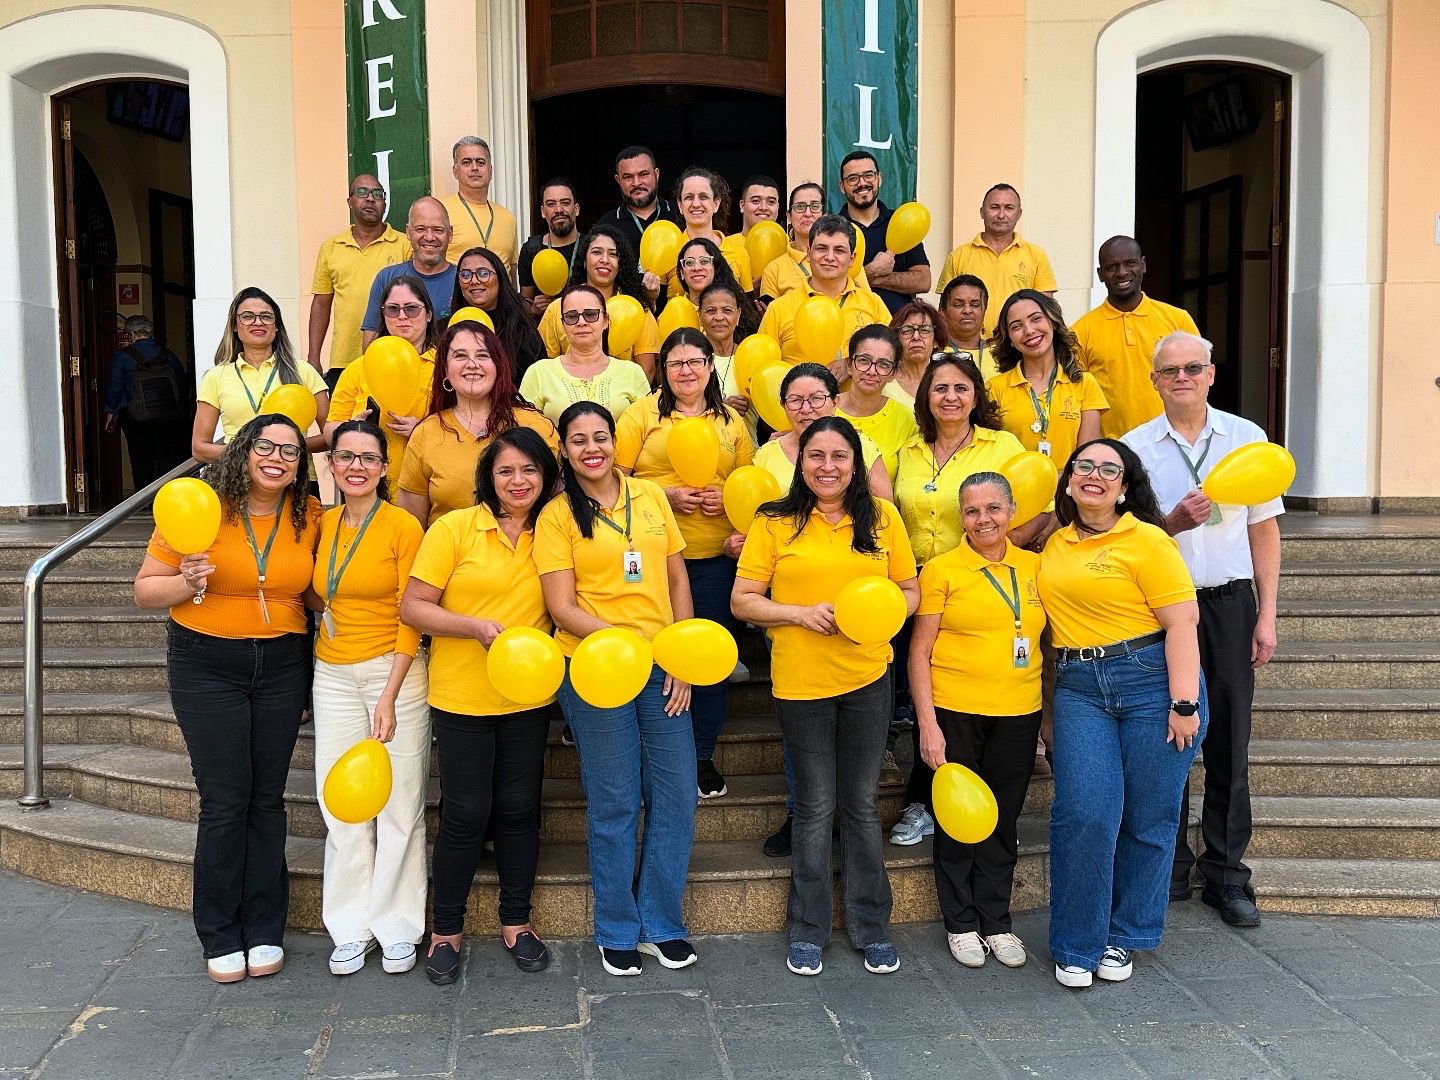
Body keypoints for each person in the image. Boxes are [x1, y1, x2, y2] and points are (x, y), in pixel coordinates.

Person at [134, 414, 322, 983]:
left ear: (301, 466)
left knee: (267, 799)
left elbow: (318, 590)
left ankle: (264, 927)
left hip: (283, 663)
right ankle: (219, 931)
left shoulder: (310, 515)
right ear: (242, 450)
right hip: (206, 664)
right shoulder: (203, 509)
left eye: (290, 452)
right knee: (224, 800)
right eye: (265, 446)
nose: (277, 459)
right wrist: (187, 582)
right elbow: (145, 590)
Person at [732, 416, 920, 977]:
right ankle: (808, 929)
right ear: (801, 462)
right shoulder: (773, 520)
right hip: (801, 682)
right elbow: (743, 599)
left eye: (840, 456)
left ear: (856, 464)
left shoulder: (882, 517)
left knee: (861, 805)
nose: (828, 466)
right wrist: (797, 613)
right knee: (814, 807)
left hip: (868, 677)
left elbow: (910, 590)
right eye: (816, 455)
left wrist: (877, 616)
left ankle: (872, 926)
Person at [1121, 331, 1281, 929]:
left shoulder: (1247, 439)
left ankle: (1227, 874)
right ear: (1155, 381)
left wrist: (1267, 613)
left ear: (1211, 374)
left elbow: (1263, 528)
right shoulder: (1134, 448)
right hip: (1161, 610)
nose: (1182, 378)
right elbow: (1127, 538)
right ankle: (1168, 866)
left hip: (1230, 604)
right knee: (1166, 738)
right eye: (1170, 371)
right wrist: (1172, 521)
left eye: (1193, 368)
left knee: (1230, 742)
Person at [535, 401, 699, 977]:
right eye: (578, 440)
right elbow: (561, 606)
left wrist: (680, 652)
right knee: (616, 799)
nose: (592, 448)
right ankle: (617, 927)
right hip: (595, 665)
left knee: (676, 794)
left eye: (600, 436)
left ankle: (662, 922)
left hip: (661, 664)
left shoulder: (650, 496)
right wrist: (623, 642)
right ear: (565, 450)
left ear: (614, 442)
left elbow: (676, 578)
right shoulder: (556, 515)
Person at [1039, 438, 1206, 988]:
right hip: (1080, 687)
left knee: (1148, 817)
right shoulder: (1055, 544)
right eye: (1084, 465)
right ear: (1068, 480)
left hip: (1153, 683)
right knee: (1084, 813)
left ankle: (1126, 932)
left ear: (1125, 487)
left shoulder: (1148, 540)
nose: (1095, 475)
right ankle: (1077, 942)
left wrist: (1184, 703)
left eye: (1109, 469)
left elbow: (1182, 624)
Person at [400, 427, 560, 982]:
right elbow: (413, 607)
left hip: (528, 696)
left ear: (546, 476)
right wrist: (472, 627)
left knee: (519, 810)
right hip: (462, 695)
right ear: (488, 477)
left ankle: (517, 921)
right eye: (506, 470)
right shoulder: (454, 528)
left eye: (530, 470)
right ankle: (445, 931)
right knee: (466, 814)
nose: (519, 481)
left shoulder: (556, 531)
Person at [909, 472, 1046, 970]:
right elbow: (919, 653)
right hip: (955, 711)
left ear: (1011, 512)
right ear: (960, 518)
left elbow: (1048, 645)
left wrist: (1049, 724)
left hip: (1019, 712)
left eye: (993, 509)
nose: (983, 519)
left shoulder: (1035, 567)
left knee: (1003, 821)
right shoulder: (941, 570)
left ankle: (997, 920)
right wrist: (928, 725)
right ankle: (961, 923)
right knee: (958, 820)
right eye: (971, 511)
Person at [889, 353, 1027, 846]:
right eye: (940, 388)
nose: (950, 397)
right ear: (925, 397)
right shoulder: (908, 451)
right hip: (915, 586)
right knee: (924, 695)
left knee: (958, 699)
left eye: (961, 388)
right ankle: (927, 799)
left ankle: (958, 804)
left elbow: (1044, 506)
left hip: (981, 587)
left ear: (976, 396)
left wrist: (996, 551)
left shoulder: (1003, 446)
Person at [617, 328, 755, 799]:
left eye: (695, 361)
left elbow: (749, 483)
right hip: (648, 558)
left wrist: (728, 497)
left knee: (706, 658)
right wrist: (666, 495)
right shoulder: (641, 414)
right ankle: (649, 752)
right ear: (664, 370)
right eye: (676, 363)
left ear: (710, 366)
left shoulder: (731, 423)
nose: (686, 371)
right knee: (651, 655)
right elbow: (612, 476)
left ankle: (700, 754)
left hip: (714, 558)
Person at [311, 420, 428, 977]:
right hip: (332, 672)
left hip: (393, 670)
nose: (355, 467)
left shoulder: (404, 525)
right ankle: (349, 926)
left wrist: (390, 692)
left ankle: (397, 924)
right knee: (341, 802)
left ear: (384, 468)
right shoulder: (323, 523)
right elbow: (317, 592)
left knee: (400, 803)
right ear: (332, 464)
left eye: (368, 458)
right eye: (345, 457)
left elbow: (412, 612)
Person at [397, 321, 558, 527]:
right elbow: (412, 526)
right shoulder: (425, 434)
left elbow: (561, 502)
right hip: (450, 547)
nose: (472, 364)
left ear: (498, 366)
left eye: (482, 355)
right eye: (460, 356)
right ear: (445, 370)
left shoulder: (535, 424)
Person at [1073, 235, 1201, 439]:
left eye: (1130, 263)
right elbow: (1077, 398)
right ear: (1100, 274)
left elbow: (1198, 379)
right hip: (1112, 447)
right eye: (1112, 267)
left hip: (1173, 441)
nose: (1122, 272)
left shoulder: (1178, 320)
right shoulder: (1081, 331)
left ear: (1143, 265)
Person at [326, 275, 438, 493]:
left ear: (428, 314)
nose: (402, 316)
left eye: (412, 308)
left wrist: (422, 431)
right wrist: (350, 429)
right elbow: (330, 430)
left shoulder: (446, 365)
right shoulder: (359, 367)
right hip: (369, 490)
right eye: (393, 309)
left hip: (429, 487)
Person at [193, 288, 330, 464]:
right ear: (234, 325)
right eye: (247, 316)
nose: (258, 322)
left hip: (294, 474)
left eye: (266, 316)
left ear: (276, 326)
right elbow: (199, 449)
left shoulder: (303, 371)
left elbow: (330, 435)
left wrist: (288, 448)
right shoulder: (216, 377)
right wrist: (249, 452)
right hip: (238, 476)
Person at [307, 175, 410, 388]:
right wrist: (314, 356)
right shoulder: (331, 247)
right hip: (343, 361)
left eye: (377, 194)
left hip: (392, 356)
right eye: (362, 193)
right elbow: (321, 304)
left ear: (385, 203)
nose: (370, 199)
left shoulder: (405, 244)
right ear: (350, 202)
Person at [987, 289, 1108, 471]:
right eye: (1016, 326)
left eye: (1036, 319)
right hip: (1012, 488)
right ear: (1009, 338)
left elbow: (1086, 458)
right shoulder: (994, 388)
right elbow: (991, 456)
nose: (1029, 331)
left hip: (1069, 487)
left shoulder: (1084, 383)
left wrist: (1060, 482)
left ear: (1053, 321)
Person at [757, 215, 890, 371]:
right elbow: (763, 367)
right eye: (821, 248)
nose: (830, 257)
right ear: (809, 254)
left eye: (839, 250)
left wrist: (850, 363)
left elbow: (892, 357)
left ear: (852, 259)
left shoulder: (873, 303)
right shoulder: (778, 309)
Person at [755, 363, 893, 502]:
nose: (806, 409)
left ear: (835, 402)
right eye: (796, 400)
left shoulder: (861, 446)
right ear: (783, 405)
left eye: (816, 398)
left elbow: (885, 509)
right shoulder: (767, 454)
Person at [538, 225, 662, 376]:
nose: (605, 260)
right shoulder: (557, 308)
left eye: (613, 254)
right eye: (596, 252)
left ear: (621, 263)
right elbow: (545, 371)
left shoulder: (638, 310)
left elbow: (647, 372)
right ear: (584, 260)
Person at [523, 285, 653, 425]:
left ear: (606, 321)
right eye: (572, 316)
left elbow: (648, 427)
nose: (581, 322)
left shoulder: (632, 372)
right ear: (563, 324)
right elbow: (525, 431)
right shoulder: (539, 373)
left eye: (590, 314)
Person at [936, 184, 1057, 334]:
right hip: (969, 345)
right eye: (994, 207)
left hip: (1018, 344)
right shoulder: (958, 256)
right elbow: (944, 313)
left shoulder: (1036, 256)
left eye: (1009, 208)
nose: (1001, 215)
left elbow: (1046, 311)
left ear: (1019, 214)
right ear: (982, 212)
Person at [104, 314, 191, 489]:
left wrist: (110, 412)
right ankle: (170, 496)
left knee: (140, 461)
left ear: (130, 335)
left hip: (135, 418)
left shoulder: (121, 357)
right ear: (150, 333)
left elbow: (115, 388)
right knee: (168, 459)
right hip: (168, 416)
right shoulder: (168, 355)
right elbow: (182, 382)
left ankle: (143, 500)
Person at [838, 151, 931, 314]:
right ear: (842, 186)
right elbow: (829, 285)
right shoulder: (834, 228)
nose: (862, 183)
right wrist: (873, 270)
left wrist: (876, 278)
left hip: (898, 326)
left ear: (879, 178)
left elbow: (923, 280)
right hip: (850, 325)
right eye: (853, 178)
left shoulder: (901, 222)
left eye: (869, 175)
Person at [361, 198, 457, 348]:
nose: (429, 237)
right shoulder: (387, 278)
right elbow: (370, 345)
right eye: (420, 229)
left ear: (450, 234)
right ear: (408, 232)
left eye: (438, 230)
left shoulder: (464, 280)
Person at [835, 324, 918, 484]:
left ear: (893, 373)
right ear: (850, 365)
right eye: (864, 360)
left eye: (883, 364)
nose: (872, 371)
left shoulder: (905, 419)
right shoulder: (825, 409)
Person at [758, 183, 870, 300]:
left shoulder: (843, 259)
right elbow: (771, 310)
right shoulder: (774, 270)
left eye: (815, 206)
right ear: (789, 216)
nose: (807, 213)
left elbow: (866, 302)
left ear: (824, 215)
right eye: (800, 207)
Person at [597, 144, 683, 293]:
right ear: (618, 180)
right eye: (628, 177)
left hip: (677, 305)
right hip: (624, 306)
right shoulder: (606, 225)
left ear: (656, 174)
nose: (636, 183)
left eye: (643, 174)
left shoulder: (680, 215)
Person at [450, 246, 546, 378]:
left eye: (483, 273)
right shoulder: (448, 329)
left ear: (500, 278)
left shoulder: (523, 331)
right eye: (465, 275)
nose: (474, 281)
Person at [664, 167, 751, 298]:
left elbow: (746, 304)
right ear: (680, 205)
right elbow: (657, 306)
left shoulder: (739, 253)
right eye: (689, 197)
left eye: (703, 197)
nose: (696, 204)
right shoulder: (668, 250)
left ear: (716, 204)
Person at [441, 136, 519, 271]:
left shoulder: (508, 218)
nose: (474, 168)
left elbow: (511, 272)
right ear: (455, 171)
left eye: (480, 162)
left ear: (490, 170)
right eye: (466, 162)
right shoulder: (440, 212)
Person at [518, 177, 581, 319]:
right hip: (545, 329)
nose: (559, 210)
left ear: (576, 209)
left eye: (565, 203)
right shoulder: (531, 249)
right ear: (543, 211)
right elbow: (525, 300)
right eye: (551, 204)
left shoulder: (591, 247)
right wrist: (533, 309)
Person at [884, 300, 949, 409]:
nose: (916, 337)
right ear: (897, 339)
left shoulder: (947, 379)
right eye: (907, 330)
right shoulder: (884, 381)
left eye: (924, 330)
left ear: (936, 341)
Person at [938, 275, 999, 382]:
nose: (967, 310)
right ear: (943, 312)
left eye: (975, 305)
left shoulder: (1000, 354)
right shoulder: (935, 354)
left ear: (985, 310)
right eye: (958, 305)